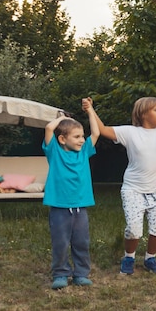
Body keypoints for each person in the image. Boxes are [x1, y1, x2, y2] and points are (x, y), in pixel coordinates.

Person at [91, 97, 156, 275]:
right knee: (134, 229)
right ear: (143, 113)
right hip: (133, 190)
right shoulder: (130, 132)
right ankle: (129, 257)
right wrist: (90, 109)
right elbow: (102, 129)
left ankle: (150, 258)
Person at [43, 98, 99, 289]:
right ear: (62, 139)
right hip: (59, 208)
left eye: (82, 136)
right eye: (76, 137)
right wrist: (63, 119)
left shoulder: (84, 153)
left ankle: (81, 274)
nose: (82, 140)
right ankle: (60, 274)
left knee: (82, 242)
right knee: (60, 242)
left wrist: (90, 110)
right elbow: (49, 129)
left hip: (80, 208)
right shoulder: (54, 153)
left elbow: (97, 132)